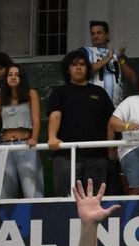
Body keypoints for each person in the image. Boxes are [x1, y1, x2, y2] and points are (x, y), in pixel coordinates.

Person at [46, 49, 115, 195]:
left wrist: (111, 149)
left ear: (87, 69)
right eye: (74, 65)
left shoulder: (99, 92)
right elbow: (55, 115)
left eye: (82, 64)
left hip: (97, 157)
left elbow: (111, 121)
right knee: (65, 203)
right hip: (66, 156)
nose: (78, 67)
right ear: (68, 69)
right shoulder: (60, 92)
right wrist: (52, 136)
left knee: (95, 203)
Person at [0, 63, 43, 199]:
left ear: (22, 78)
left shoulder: (30, 93)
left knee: (32, 190)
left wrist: (34, 137)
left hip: (25, 144)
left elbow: (36, 118)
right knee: (6, 192)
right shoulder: (1, 96)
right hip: (6, 146)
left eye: (17, 75)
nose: (13, 77)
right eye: (10, 75)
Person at [84, 19, 137, 107]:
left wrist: (120, 60)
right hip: (93, 105)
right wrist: (106, 59)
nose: (95, 36)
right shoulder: (86, 52)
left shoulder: (117, 54)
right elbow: (84, 71)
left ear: (107, 35)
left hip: (116, 106)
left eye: (99, 33)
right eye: (93, 34)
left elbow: (134, 79)